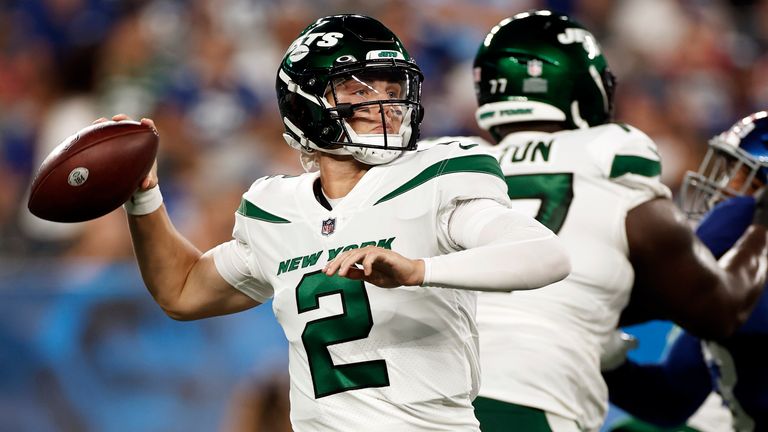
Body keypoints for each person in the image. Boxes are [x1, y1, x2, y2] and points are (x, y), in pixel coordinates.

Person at [105, 14, 571, 432]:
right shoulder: (276, 209)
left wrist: (418, 271)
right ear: (305, 102)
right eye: (358, 89)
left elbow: (544, 255)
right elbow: (182, 291)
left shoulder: (436, 177)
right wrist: (144, 198)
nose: (385, 104)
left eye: (392, 89)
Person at [460, 10, 768, 432]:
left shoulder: (453, 167)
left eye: (743, 177)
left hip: (426, 398)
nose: (724, 190)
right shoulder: (608, 163)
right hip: (533, 397)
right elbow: (678, 382)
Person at [603, 111, 768, 431]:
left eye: (739, 175)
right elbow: (671, 400)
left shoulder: (733, 289)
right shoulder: (726, 297)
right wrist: (610, 367)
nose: (721, 189)